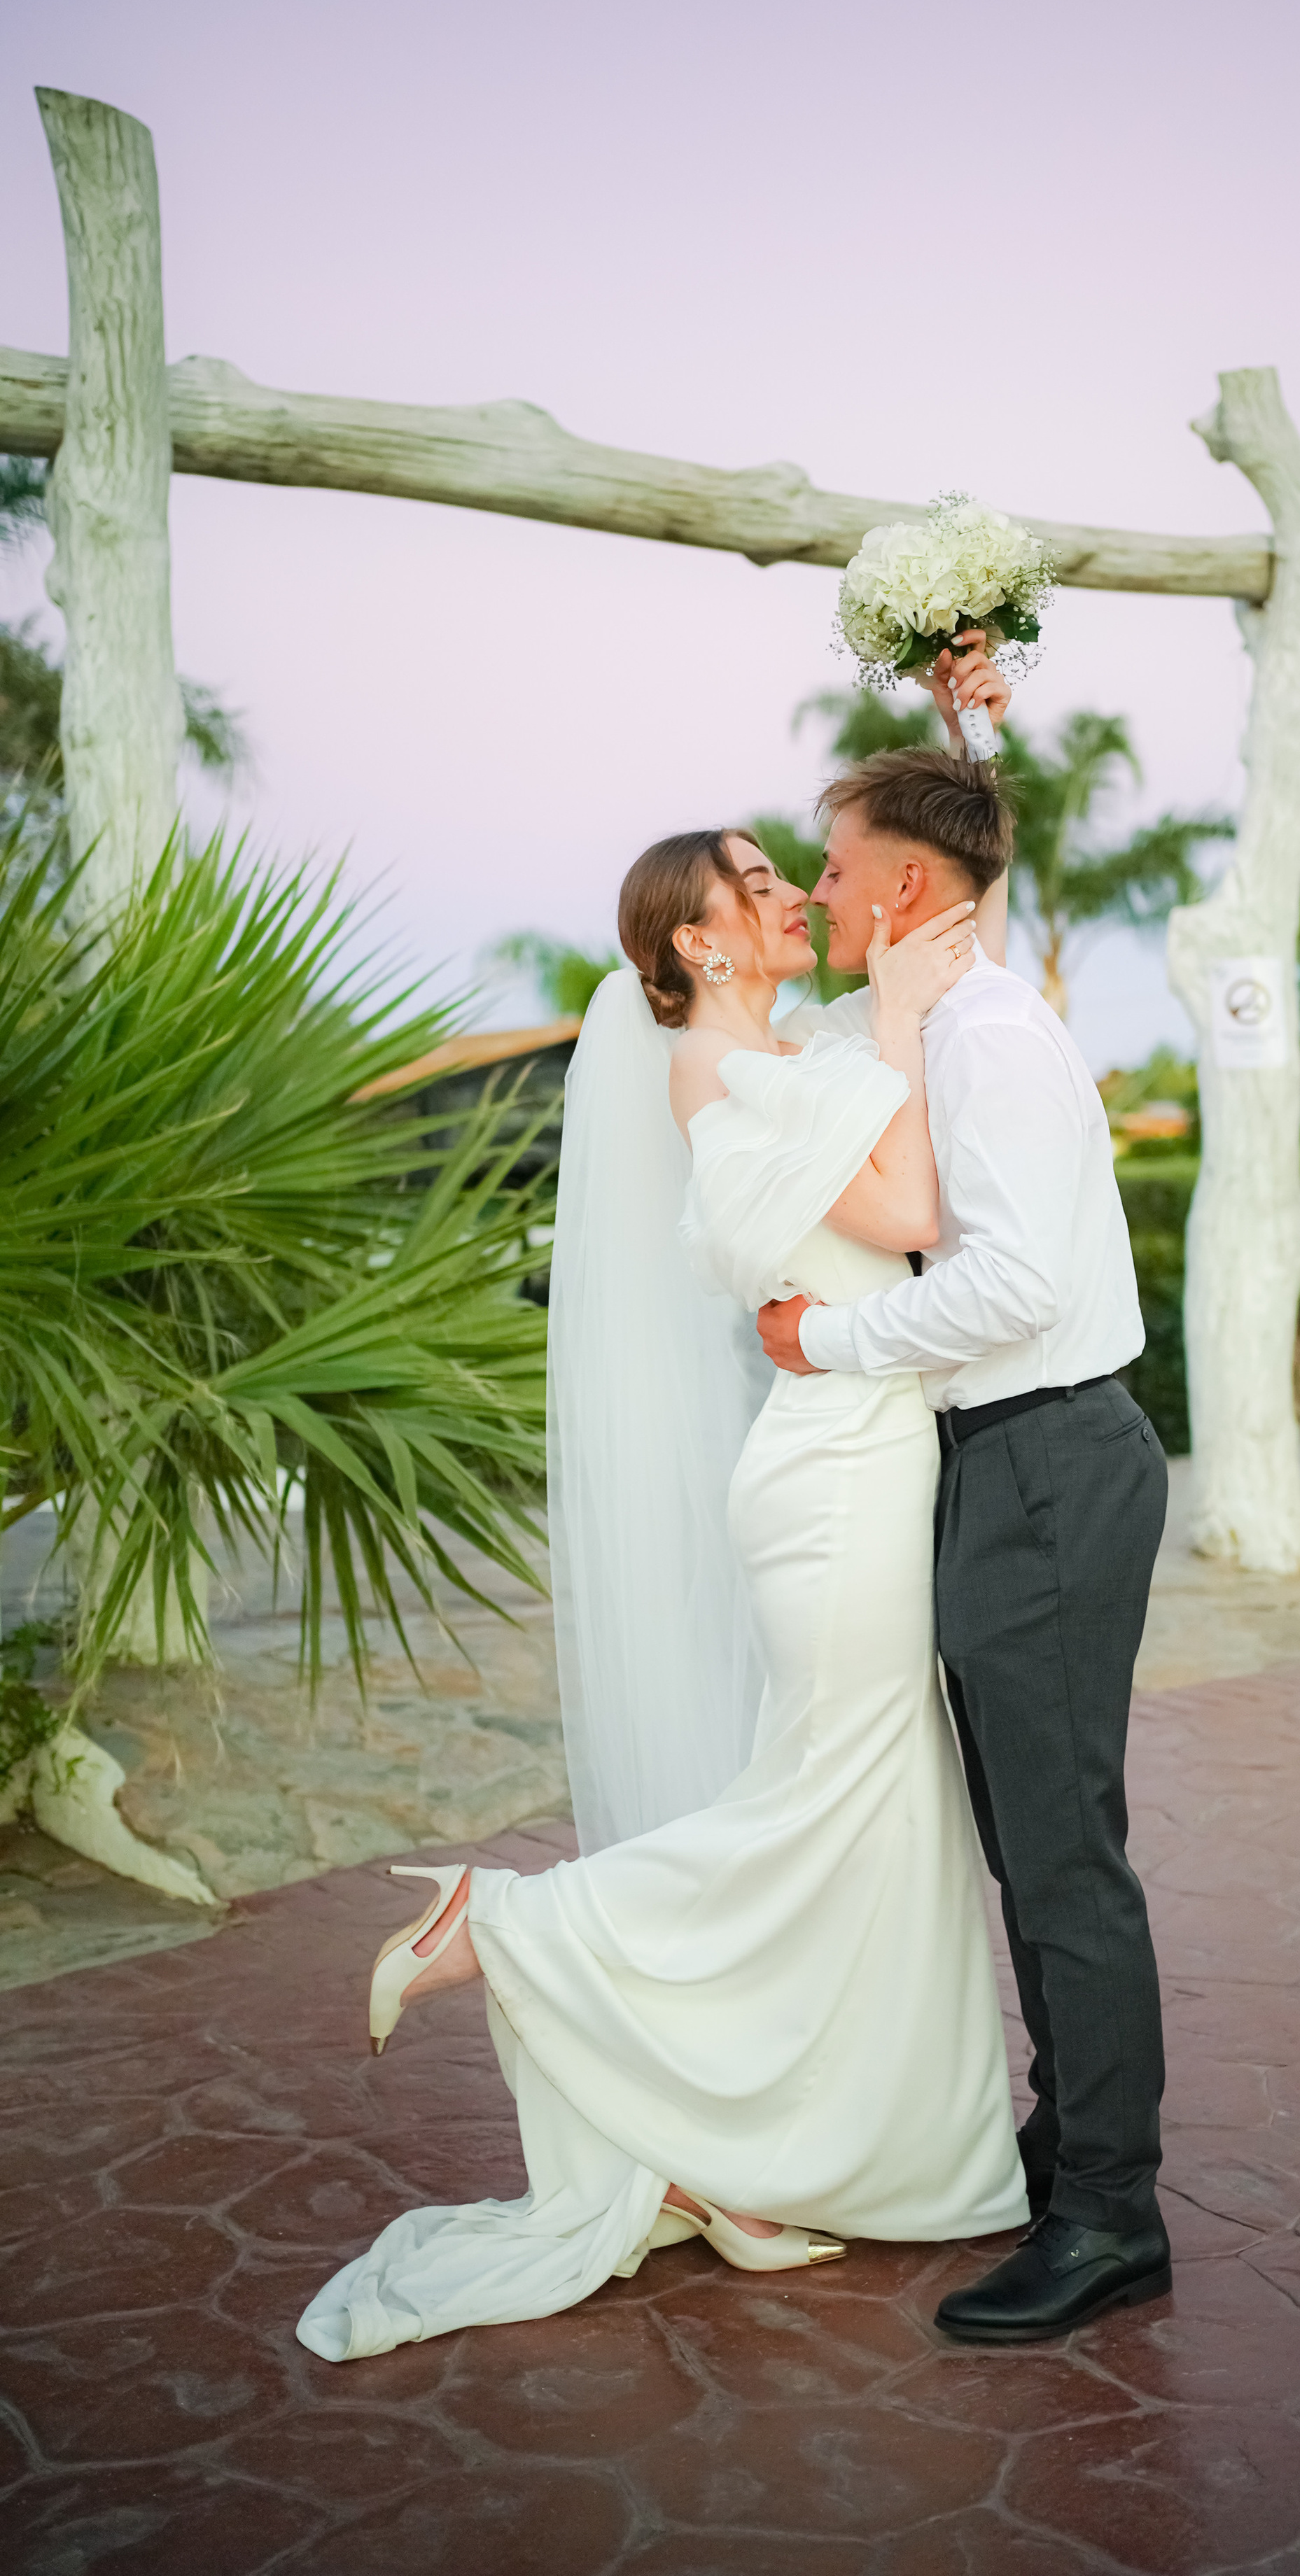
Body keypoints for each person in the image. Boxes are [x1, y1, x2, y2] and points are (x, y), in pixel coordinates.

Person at [297, 824, 1026, 2363]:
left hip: (872, 1456)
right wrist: (893, 1028)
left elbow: (946, 939)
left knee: (874, 1808)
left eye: (783, 879)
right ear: (694, 945)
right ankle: (501, 1924)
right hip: (833, 1477)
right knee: (825, 1793)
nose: (782, 901)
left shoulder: (804, 1042)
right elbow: (904, 1217)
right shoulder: (709, 1073)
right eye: (752, 887)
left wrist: (967, 744)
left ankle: (733, 2158)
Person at [760, 631, 1173, 2346]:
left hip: (1047, 1463)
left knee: (1061, 1856)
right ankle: (1069, 2143)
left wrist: (823, 1345)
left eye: (838, 866)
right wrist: (969, 721)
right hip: (1005, 1467)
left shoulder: (990, 1038)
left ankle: (1108, 2217)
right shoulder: (960, 996)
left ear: (903, 884)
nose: (817, 883)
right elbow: (968, 891)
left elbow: (1003, 1283)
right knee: (1028, 1843)